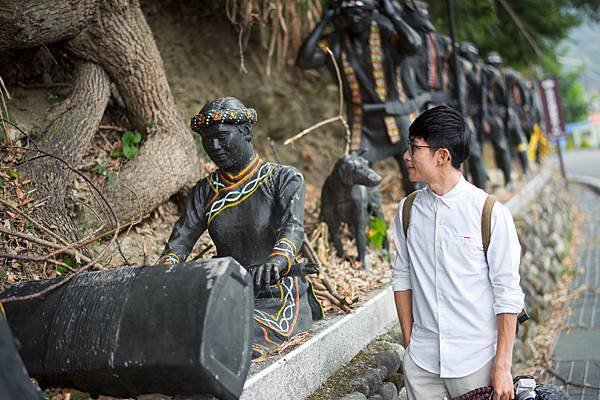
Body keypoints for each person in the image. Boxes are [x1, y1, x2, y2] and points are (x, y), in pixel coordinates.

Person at [158, 96, 323, 358]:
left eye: (222, 136)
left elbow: (292, 227)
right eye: (207, 139)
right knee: (179, 328)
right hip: (226, 291)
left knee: (230, 333)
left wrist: (277, 261)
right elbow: (181, 241)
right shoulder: (204, 191)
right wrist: (162, 276)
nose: (214, 146)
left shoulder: (282, 179)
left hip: (275, 294)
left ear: (246, 132)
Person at [392, 106, 524, 399]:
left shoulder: (489, 214)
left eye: (414, 147)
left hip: (476, 363)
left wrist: (502, 366)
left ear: (442, 156)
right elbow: (402, 276)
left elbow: (507, 293)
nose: (407, 156)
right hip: (422, 364)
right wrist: (409, 342)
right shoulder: (408, 211)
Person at [296, 0, 423, 194]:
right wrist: (324, 20)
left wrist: (392, 14)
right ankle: (372, 221)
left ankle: (418, 217)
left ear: (370, 12)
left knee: (415, 173)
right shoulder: (335, 42)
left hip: (396, 117)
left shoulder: (385, 33)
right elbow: (304, 60)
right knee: (358, 177)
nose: (355, 18)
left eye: (360, 12)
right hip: (362, 122)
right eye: (349, 13)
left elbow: (414, 45)